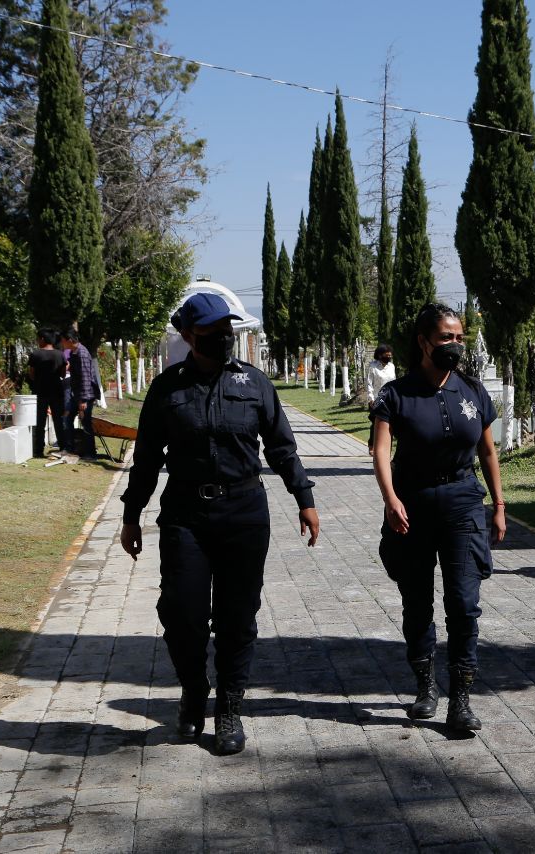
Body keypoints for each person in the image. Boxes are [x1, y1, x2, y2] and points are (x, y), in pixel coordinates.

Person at [118, 292, 320, 754]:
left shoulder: (254, 383)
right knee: (181, 613)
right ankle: (194, 691)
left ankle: (229, 706)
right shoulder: (167, 388)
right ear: (190, 336)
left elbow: (282, 448)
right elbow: (146, 459)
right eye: (213, 332)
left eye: (228, 330)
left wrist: (304, 499)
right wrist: (131, 517)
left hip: (244, 513)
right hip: (185, 516)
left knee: (237, 617)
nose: (224, 338)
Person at [371, 302, 506, 733]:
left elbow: (488, 451)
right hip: (411, 507)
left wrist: (499, 505)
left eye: (459, 337)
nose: (455, 344)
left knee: (464, 604)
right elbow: (380, 451)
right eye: (446, 337)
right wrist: (391, 499)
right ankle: (425, 686)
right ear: (424, 342)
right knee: (417, 603)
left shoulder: (473, 391)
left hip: (463, 503)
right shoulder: (396, 394)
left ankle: (461, 699)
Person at [26, 328, 67, 459]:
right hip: (56, 391)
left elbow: (31, 374)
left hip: (40, 391)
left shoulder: (35, 354)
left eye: (38, 339)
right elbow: (63, 374)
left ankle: (39, 450)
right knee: (58, 420)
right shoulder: (60, 354)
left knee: (40, 421)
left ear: (42, 339)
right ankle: (63, 447)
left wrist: (39, 379)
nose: (37, 341)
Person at [61, 329, 99, 460]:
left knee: (85, 422)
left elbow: (86, 378)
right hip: (76, 394)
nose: (62, 343)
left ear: (70, 340)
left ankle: (90, 454)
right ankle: (69, 448)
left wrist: (83, 400)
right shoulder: (73, 352)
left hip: (85, 395)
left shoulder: (82, 353)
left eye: (63, 341)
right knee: (67, 417)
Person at [365, 344, 396, 451]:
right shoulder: (372, 367)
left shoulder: (391, 366)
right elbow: (369, 383)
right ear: (379, 355)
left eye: (390, 356)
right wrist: (371, 399)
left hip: (390, 399)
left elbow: (394, 381)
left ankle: (387, 447)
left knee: (390, 424)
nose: (388, 358)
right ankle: (372, 444)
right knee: (376, 422)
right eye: (386, 356)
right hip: (376, 399)